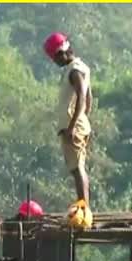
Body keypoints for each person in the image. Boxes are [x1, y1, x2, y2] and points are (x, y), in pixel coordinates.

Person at [43, 32, 94, 228]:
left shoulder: (74, 70)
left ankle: (84, 211)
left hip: (74, 127)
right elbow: (89, 98)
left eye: (55, 58)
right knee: (77, 167)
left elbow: (82, 96)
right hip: (79, 124)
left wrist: (73, 126)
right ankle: (84, 208)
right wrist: (84, 118)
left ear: (61, 53)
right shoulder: (81, 67)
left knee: (77, 168)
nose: (55, 62)